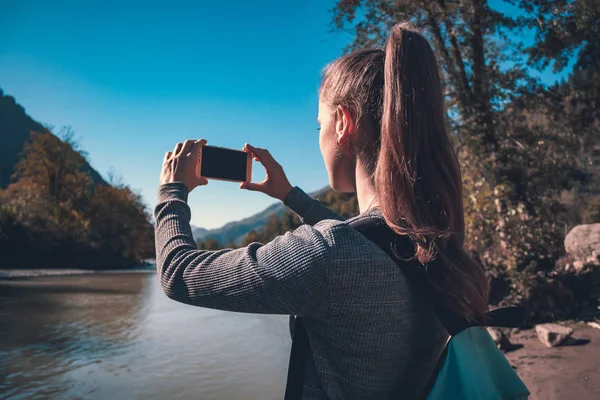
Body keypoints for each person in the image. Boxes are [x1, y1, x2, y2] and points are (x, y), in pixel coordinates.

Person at [155, 22, 489, 399]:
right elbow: (365, 238)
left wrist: (172, 192)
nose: (318, 137)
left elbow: (177, 274)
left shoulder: (330, 257)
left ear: (343, 123)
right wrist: (290, 196)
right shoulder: (428, 240)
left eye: (319, 125)